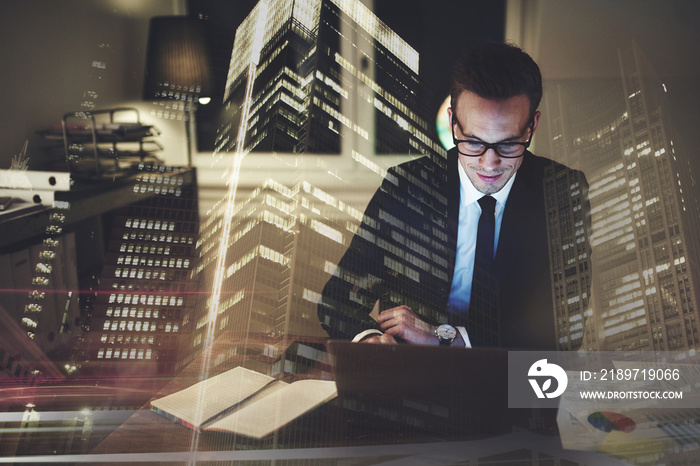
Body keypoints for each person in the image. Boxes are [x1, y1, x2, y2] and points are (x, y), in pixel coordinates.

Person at [317, 41, 591, 350]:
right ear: (453, 124)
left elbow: (565, 329)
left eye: (509, 144)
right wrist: (372, 339)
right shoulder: (407, 186)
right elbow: (338, 299)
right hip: (408, 381)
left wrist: (443, 336)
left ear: (531, 128)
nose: (489, 164)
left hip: (511, 387)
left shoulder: (561, 192)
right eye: (473, 142)